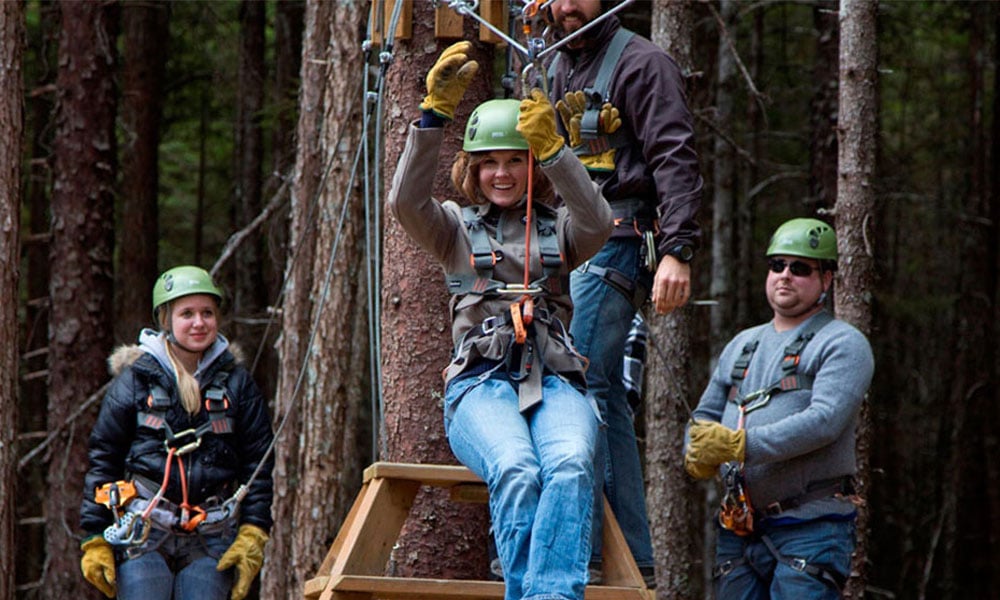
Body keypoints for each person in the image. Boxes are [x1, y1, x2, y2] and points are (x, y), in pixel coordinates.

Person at [388, 40, 612, 600]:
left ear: (533, 166)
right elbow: (404, 205)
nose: (502, 173)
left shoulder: (561, 230)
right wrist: (431, 120)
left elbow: (600, 222)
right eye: (489, 162)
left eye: (516, 159)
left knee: (569, 465)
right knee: (517, 469)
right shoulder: (453, 229)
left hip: (556, 380)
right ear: (473, 168)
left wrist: (560, 153)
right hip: (480, 386)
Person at [546, 0, 704, 584]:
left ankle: (587, 553)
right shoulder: (558, 68)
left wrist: (677, 250)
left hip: (621, 236)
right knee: (597, 391)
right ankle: (627, 556)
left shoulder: (643, 64)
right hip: (567, 243)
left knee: (578, 379)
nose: (566, 7)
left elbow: (676, 157)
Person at [684, 218, 874, 598]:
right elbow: (703, 417)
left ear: (827, 280)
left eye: (800, 268)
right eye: (777, 265)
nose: (785, 276)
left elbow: (825, 421)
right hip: (739, 530)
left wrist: (741, 445)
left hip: (812, 527)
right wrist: (695, 452)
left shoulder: (843, 344)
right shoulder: (742, 344)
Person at [79, 265, 274, 600]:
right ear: (165, 320)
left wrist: (253, 532)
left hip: (212, 537)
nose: (199, 323)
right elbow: (104, 458)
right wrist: (94, 536)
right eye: (187, 313)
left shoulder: (238, 384)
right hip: (143, 536)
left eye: (207, 313)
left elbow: (258, 465)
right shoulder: (136, 381)